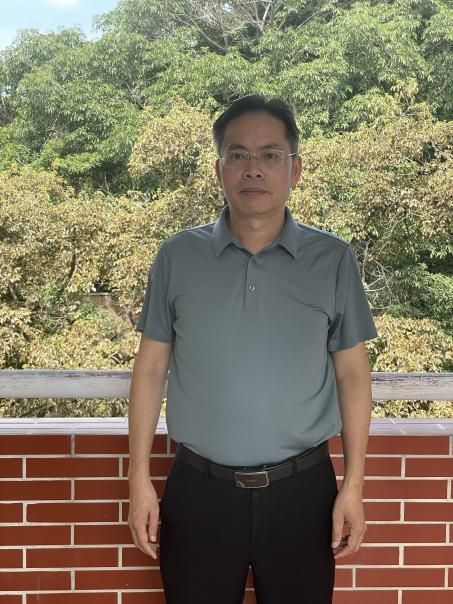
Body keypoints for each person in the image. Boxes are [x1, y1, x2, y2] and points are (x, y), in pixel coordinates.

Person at [127, 94, 378, 604]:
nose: (254, 168)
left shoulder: (333, 259)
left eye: (270, 155)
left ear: (295, 169)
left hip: (304, 493)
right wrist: (138, 480)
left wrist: (353, 485)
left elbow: (353, 374)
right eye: (238, 154)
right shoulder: (178, 257)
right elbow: (150, 370)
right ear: (219, 170)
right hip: (198, 490)